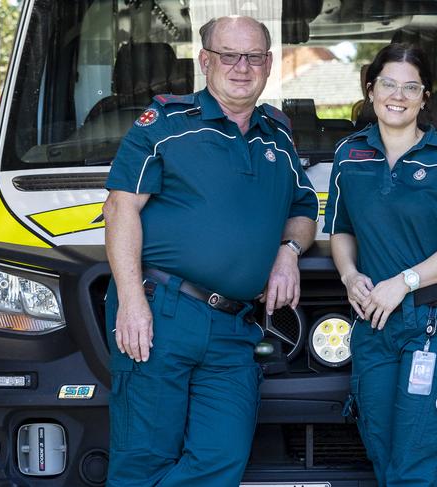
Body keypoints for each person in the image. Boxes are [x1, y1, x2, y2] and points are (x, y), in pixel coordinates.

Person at [102, 15, 318, 487]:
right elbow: (120, 209)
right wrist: (132, 301)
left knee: (222, 458)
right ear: (205, 61)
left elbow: (305, 208)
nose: (242, 67)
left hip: (235, 328)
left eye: (254, 56)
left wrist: (288, 251)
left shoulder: (278, 139)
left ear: (268, 65)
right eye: (229, 55)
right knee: (143, 460)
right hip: (163, 312)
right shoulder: (163, 126)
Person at [324, 42, 437, 486]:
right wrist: (350, 274)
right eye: (389, 84)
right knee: (384, 453)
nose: (398, 95)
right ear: (371, 89)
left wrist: (404, 282)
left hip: (434, 324)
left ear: (424, 97)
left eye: (410, 87)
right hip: (373, 326)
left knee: (417, 465)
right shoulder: (348, 156)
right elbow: (340, 230)